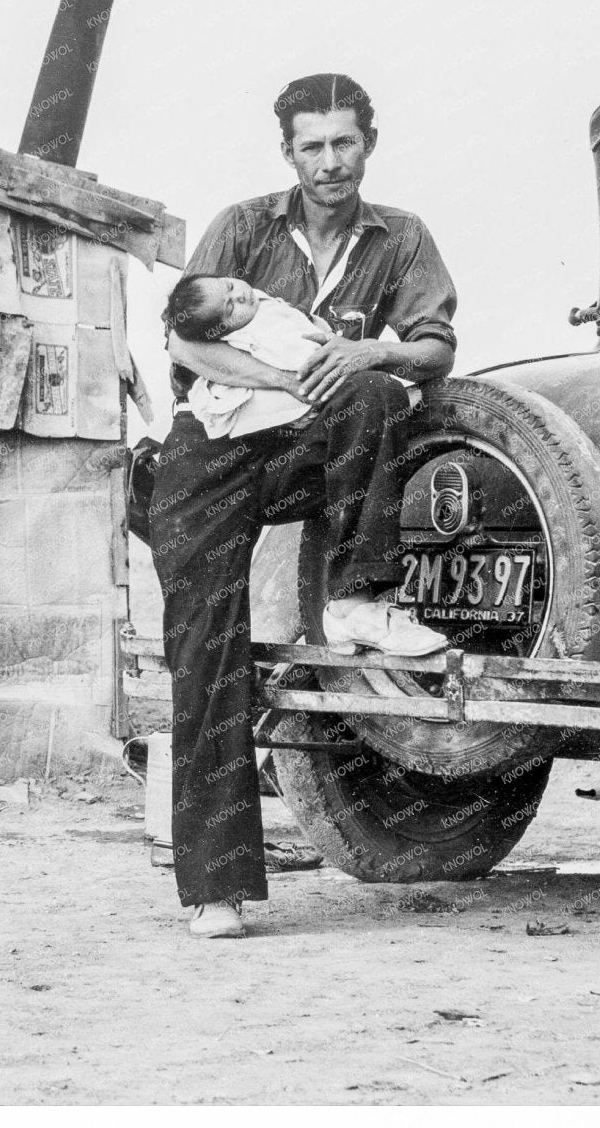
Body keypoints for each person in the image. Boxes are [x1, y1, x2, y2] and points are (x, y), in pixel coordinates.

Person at [151, 73, 458, 939]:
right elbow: (183, 339)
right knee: (206, 649)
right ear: (287, 151)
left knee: (373, 392)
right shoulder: (243, 226)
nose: (330, 161)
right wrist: (288, 376)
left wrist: (369, 349)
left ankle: (361, 595)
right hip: (208, 452)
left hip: (303, 451)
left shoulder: (403, 238)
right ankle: (217, 888)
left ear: (369, 141)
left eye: (345, 142)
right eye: (312, 145)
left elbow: (434, 343)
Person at [165, 273, 333, 440]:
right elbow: (301, 359)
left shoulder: (252, 302)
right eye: (231, 309)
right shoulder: (253, 333)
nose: (240, 296)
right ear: (221, 333)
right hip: (299, 403)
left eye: (230, 286)